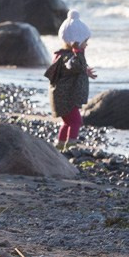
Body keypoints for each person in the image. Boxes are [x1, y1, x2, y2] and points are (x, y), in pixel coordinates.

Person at [45, 9, 97, 151]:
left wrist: (85, 71)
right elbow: (72, 66)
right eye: (85, 42)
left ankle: (61, 144)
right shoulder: (70, 57)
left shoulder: (66, 55)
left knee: (68, 122)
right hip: (66, 98)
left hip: (64, 96)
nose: (86, 45)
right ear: (76, 43)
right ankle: (71, 145)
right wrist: (78, 53)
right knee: (76, 121)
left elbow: (71, 69)